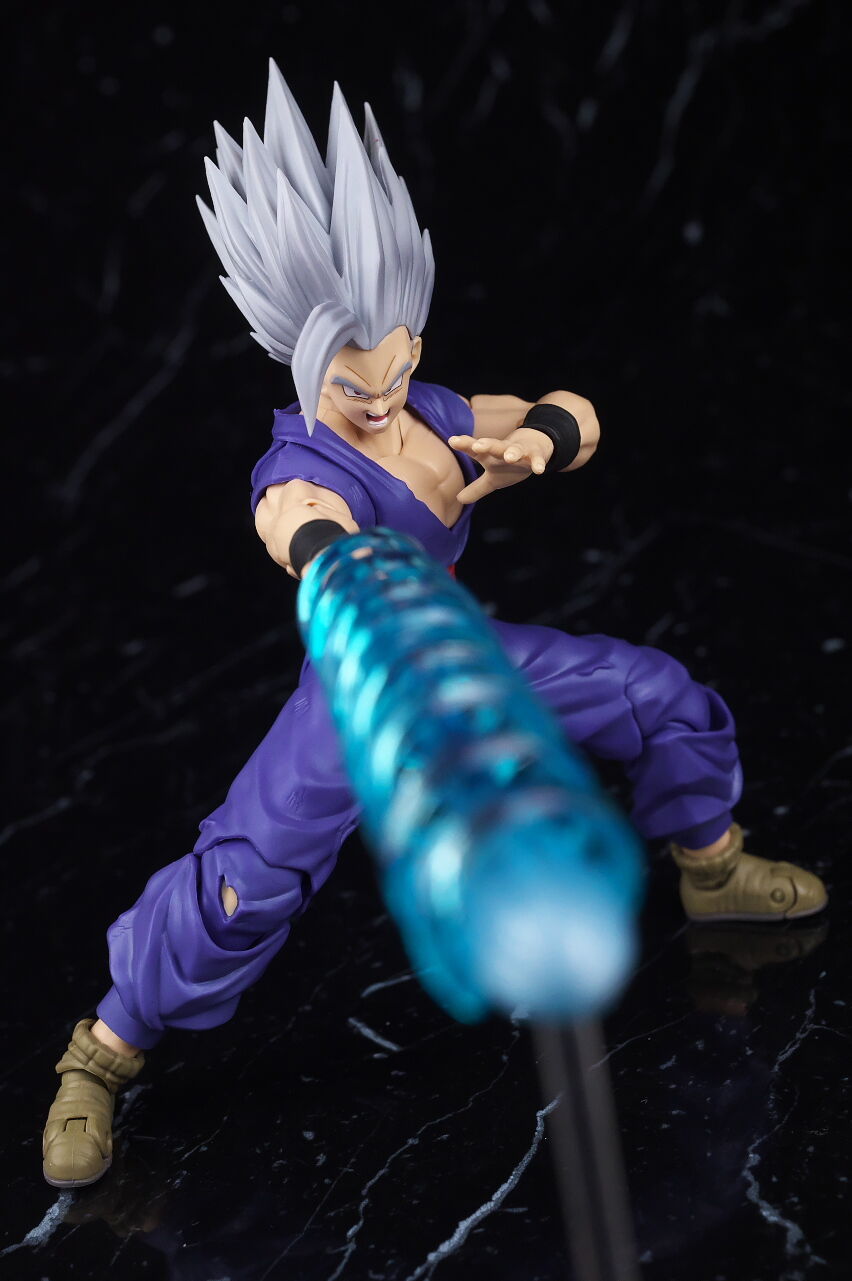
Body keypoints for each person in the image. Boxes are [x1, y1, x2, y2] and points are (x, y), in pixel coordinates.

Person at [42, 62, 827, 1189]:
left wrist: (540, 441)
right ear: (303, 363)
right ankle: (104, 1052)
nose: (382, 396)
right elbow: (298, 526)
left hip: (466, 662)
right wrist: (336, 554)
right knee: (242, 881)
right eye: (353, 385)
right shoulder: (302, 467)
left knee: (654, 693)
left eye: (398, 362)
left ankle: (714, 866)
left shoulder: (430, 410)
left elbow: (573, 410)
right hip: (359, 690)